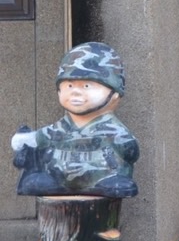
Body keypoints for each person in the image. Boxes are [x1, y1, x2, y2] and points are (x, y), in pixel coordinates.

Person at [13, 43, 139, 198]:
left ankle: (108, 182)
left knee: (118, 186)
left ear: (114, 93)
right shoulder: (62, 127)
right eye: (69, 85)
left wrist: (124, 144)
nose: (76, 93)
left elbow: (130, 151)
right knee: (34, 183)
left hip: (102, 175)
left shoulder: (111, 129)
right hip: (59, 176)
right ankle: (54, 181)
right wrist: (27, 139)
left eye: (87, 85)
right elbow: (44, 136)